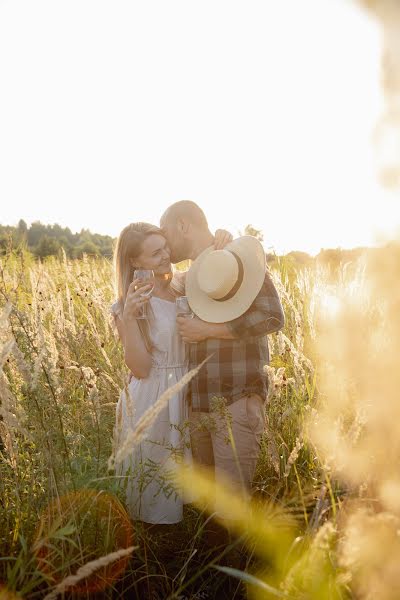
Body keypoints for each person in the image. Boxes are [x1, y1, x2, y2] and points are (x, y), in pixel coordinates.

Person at [160, 201, 285, 526]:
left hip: (237, 397)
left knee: (231, 511)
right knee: (209, 513)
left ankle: (236, 576)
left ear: (183, 225)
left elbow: (272, 314)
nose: (164, 240)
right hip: (199, 404)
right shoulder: (188, 277)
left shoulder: (235, 262)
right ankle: (210, 575)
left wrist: (208, 330)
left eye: (165, 231)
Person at [110, 222, 232, 526]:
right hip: (152, 398)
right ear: (135, 262)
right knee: (154, 483)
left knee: (190, 480)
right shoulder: (129, 304)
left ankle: (186, 543)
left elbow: (218, 268)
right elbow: (139, 368)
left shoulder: (183, 284)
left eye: (165, 247)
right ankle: (152, 556)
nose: (167, 255)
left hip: (188, 389)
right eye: (155, 253)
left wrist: (222, 241)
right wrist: (127, 318)